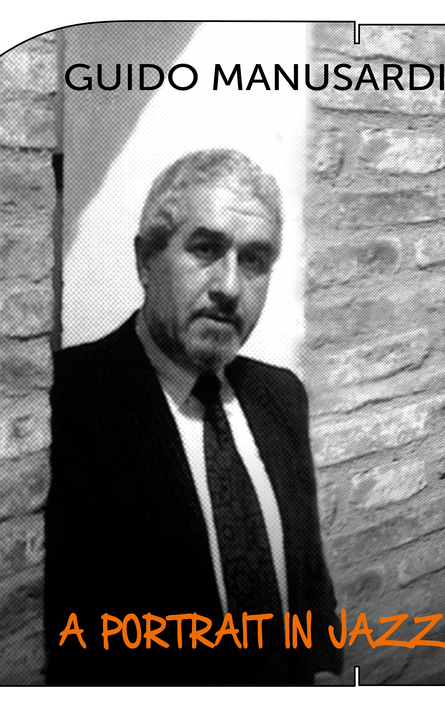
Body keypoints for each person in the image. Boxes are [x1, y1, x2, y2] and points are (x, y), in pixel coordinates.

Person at [44, 149, 343, 686]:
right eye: (205, 249)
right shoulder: (67, 401)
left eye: (254, 260)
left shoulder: (281, 396)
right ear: (146, 260)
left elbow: (309, 576)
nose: (230, 286)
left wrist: (322, 670)